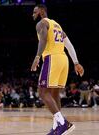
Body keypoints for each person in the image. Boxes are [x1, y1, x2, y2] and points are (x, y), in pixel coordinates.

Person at [31, 4, 84, 135]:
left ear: (42, 11)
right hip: (63, 59)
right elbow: (69, 45)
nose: (33, 14)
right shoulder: (57, 25)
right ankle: (56, 127)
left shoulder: (41, 23)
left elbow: (42, 40)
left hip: (52, 58)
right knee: (54, 94)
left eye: (35, 12)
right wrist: (76, 62)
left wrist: (37, 56)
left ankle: (62, 123)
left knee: (43, 92)